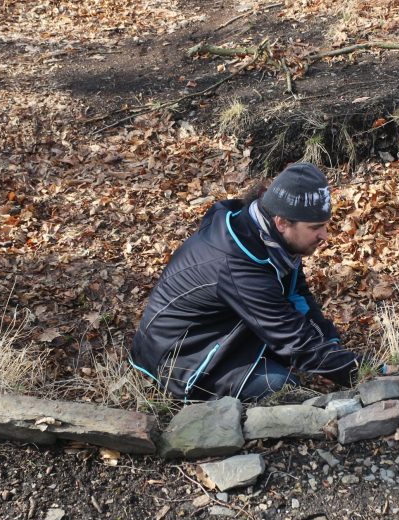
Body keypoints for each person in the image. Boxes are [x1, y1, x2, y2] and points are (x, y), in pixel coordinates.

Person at [130, 162, 359, 402]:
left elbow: (296, 295)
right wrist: (358, 372)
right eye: (316, 227)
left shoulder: (271, 238)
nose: (325, 235)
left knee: (306, 357)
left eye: (324, 224)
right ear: (282, 222)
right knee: (282, 387)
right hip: (182, 357)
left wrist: (329, 343)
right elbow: (293, 340)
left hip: (224, 327)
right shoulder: (238, 263)